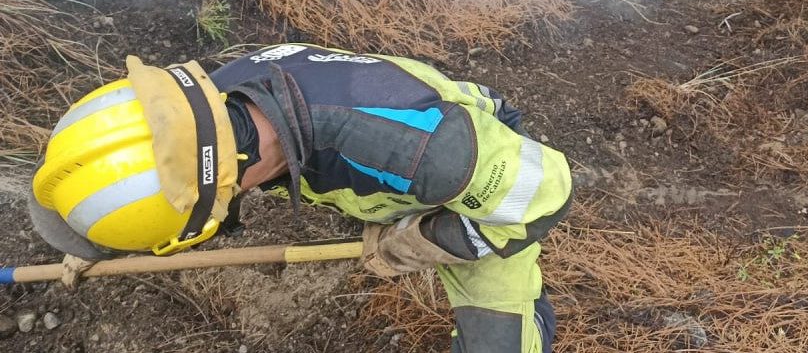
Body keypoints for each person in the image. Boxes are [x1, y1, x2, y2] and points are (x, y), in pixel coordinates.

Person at [29, 42, 573, 353]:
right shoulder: (211, 104)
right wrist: (101, 231)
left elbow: (546, 189)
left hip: (479, 182)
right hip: (400, 156)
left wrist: (424, 243)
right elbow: (142, 169)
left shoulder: (409, 147)